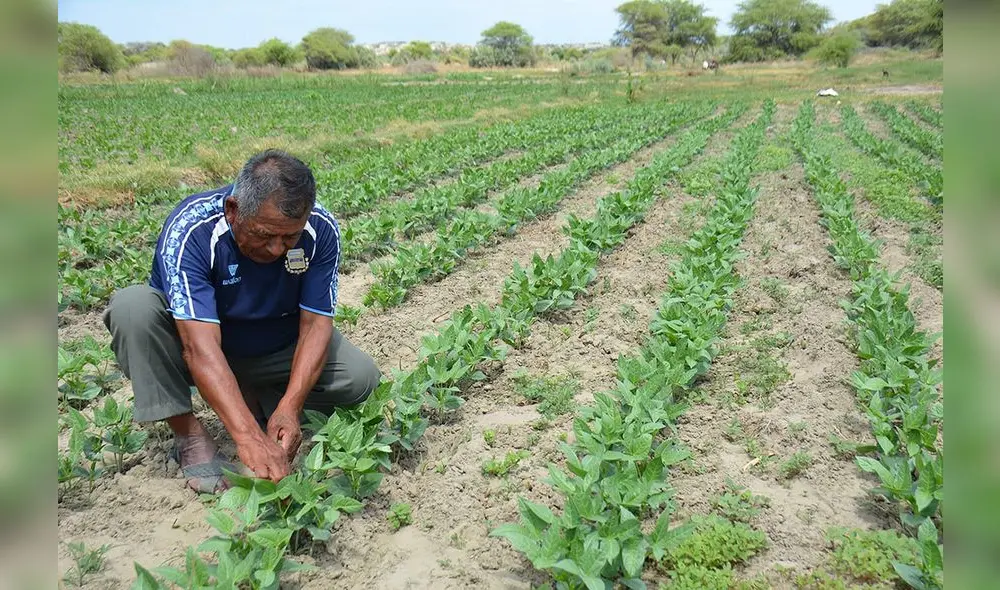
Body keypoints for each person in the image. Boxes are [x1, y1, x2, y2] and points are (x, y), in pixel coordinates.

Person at [102, 149, 381, 493]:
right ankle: (189, 433)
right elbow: (198, 347)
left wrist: (290, 405)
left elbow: (315, 325)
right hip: (202, 344)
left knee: (361, 380)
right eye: (265, 235)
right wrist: (247, 437)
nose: (277, 249)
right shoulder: (193, 229)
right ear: (233, 211)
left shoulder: (319, 228)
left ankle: (262, 397)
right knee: (133, 307)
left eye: (289, 237)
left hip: (275, 342)